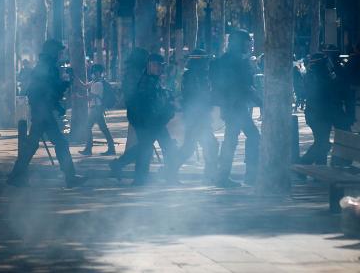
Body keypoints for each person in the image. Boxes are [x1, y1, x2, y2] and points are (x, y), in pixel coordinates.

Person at [7, 39, 85, 188]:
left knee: (33, 144)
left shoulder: (44, 65)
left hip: (42, 111)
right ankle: (70, 177)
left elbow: (45, 91)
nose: (59, 54)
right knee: (59, 143)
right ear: (51, 51)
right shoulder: (48, 67)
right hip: (43, 112)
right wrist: (66, 83)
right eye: (58, 51)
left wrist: (56, 104)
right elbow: (49, 91)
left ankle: (16, 176)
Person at [112, 54, 176, 185]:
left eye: (160, 65)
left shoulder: (153, 79)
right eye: (155, 65)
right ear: (149, 65)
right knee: (148, 148)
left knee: (147, 147)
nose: (159, 68)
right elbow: (149, 103)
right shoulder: (146, 82)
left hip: (154, 121)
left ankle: (127, 170)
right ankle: (141, 178)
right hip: (149, 121)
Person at [211, 29, 261, 187]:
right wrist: (262, 102)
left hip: (231, 106)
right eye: (247, 42)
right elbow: (245, 86)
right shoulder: (237, 62)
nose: (249, 46)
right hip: (236, 107)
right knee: (251, 136)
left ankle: (224, 176)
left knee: (232, 141)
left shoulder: (226, 59)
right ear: (240, 43)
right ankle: (249, 175)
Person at [169, 50, 218, 183]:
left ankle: (170, 171)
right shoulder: (192, 76)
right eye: (204, 61)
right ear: (199, 62)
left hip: (198, 117)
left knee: (199, 146)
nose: (207, 63)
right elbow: (195, 97)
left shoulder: (199, 76)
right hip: (196, 118)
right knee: (204, 146)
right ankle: (170, 172)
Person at [299, 53, 344, 165]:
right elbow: (328, 92)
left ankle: (319, 167)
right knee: (323, 143)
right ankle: (302, 164)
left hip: (317, 114)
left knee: (321, 142)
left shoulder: (312, 74)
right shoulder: (320, 76)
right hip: (320, 115)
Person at [79, 64, 115, 156]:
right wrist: (74, 77)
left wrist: (78, 97)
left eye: (96, 71)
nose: (94, 73)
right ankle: (111, 149)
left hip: (96, 109)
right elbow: (85, 86)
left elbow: (89, 97)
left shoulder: (97, 84)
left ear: (100, 72)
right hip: (97, 109)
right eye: (94, 71)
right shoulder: (95, 82)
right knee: (104, 129)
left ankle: (88, 149)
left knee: (88, 128)